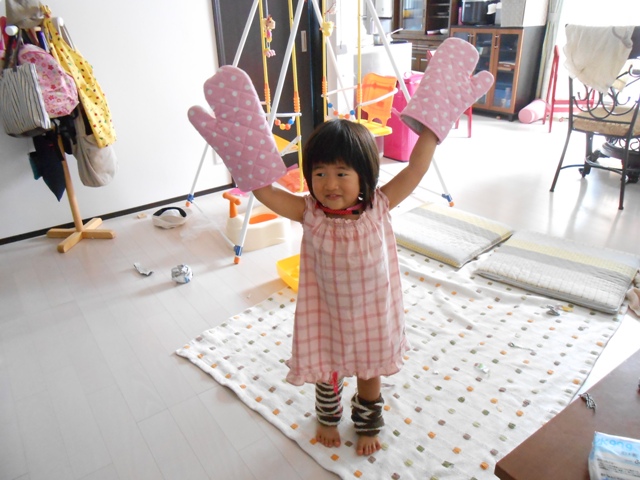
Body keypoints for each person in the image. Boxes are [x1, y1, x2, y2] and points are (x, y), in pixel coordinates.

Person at [188, 37, 493, 457]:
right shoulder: (309, 212)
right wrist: (246, 157)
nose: (329, 184)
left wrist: (434, 124)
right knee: (325, 368)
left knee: (370, 371)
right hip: (326, 311)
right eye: (319, 173)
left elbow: (417, 168)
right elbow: (267, 192)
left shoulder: (380, 205)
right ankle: (327, 417)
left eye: (342, 173)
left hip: (373, 312)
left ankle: (367, 423)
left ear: (365, 175)